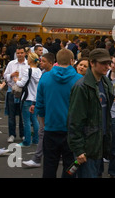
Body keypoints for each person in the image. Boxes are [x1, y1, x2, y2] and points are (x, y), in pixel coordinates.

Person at [35, 48, 82, 178]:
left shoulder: (45, 77)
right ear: (72, 61)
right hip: (71, 130)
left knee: (49, 164)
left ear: (56, 60)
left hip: (51, 127)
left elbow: (40, 104)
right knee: (70, 166)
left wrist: (44, 123)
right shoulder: (79, 80)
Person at [68, 48, 115, 178]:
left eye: (108, 62)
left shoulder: (105, 82)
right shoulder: (81, 86)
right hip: (87, 145)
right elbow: (74, 120)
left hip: (99, 142)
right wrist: (79, 150)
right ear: (92, 63)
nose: (107, 66)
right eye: (103, 63)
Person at [23, 52, 55, 168]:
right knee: (43, 132)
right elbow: (40, 92)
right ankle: (38, 157)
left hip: (49, 109)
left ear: (51, 63)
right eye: (41, 61)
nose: (41, 62)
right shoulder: (43, 73)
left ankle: (37, 158)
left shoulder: (51, 75)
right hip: (43, 106)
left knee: (44, 132)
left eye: (44, 61)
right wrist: (35, 103)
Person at [13, 52, 42, 147]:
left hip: (27, 98)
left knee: (26, 121)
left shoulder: (28, 71)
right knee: (34, 119)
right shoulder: (39, 71)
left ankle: (27, 141)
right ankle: (36, 140)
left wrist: (16, 80)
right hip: (36, 98)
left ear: (29, 60)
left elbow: (21, 84)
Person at [3, 45, 28, 143]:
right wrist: (11, 75)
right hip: (12, 91)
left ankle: (23, 134)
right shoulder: (11, 64)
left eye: (21, 53)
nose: (20, 55)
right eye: (18, 53)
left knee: (23, 115)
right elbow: (5, 76)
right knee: (11, 115)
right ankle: (12, 134)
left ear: (25, 53)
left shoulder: (28, 64)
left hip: (23, 92)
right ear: (16, 54)